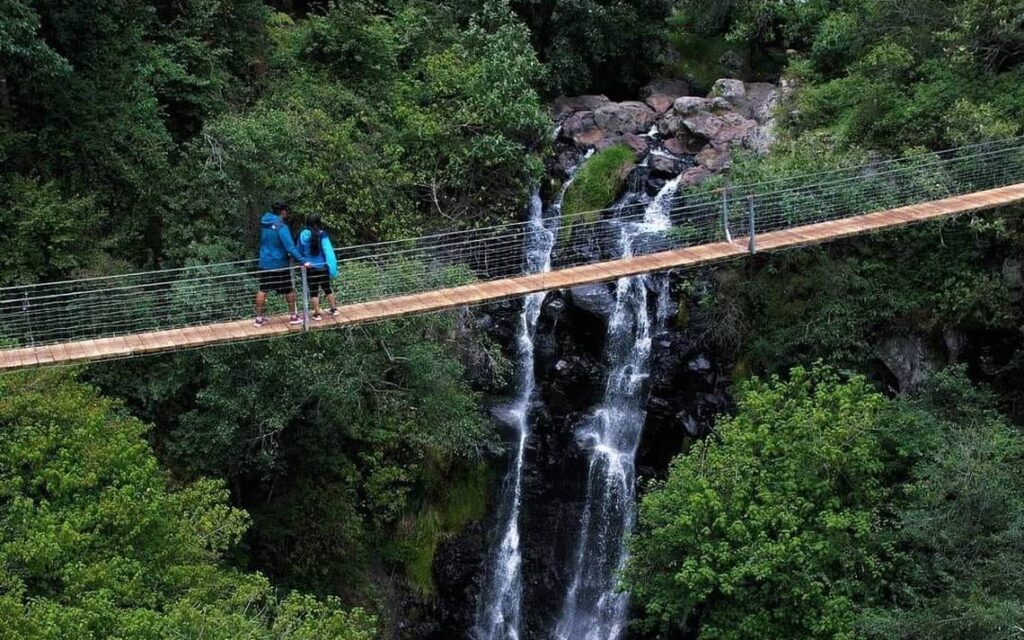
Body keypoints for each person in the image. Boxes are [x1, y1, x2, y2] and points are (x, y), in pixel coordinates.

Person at [254, 202, 310, 327]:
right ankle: (293, 316)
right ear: (282, 212)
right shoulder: (281, 227)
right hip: (278, 263)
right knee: (288, 289)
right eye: (286, 211)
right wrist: (303, 261)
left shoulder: (265, 223)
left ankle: (258, 319)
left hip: (265, 262)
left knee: (262, 289)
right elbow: (290, 247)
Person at [298, 213, 339, 321]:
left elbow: (299, 250)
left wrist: (302, 261)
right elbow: (328, 251)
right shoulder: (322, 234)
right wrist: (332, 267)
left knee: (313, 291)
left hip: (309, 267)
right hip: (322, 267)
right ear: (318, 222)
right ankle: (334, 309)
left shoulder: (303, 234)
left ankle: (317, 314)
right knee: (327, 288)